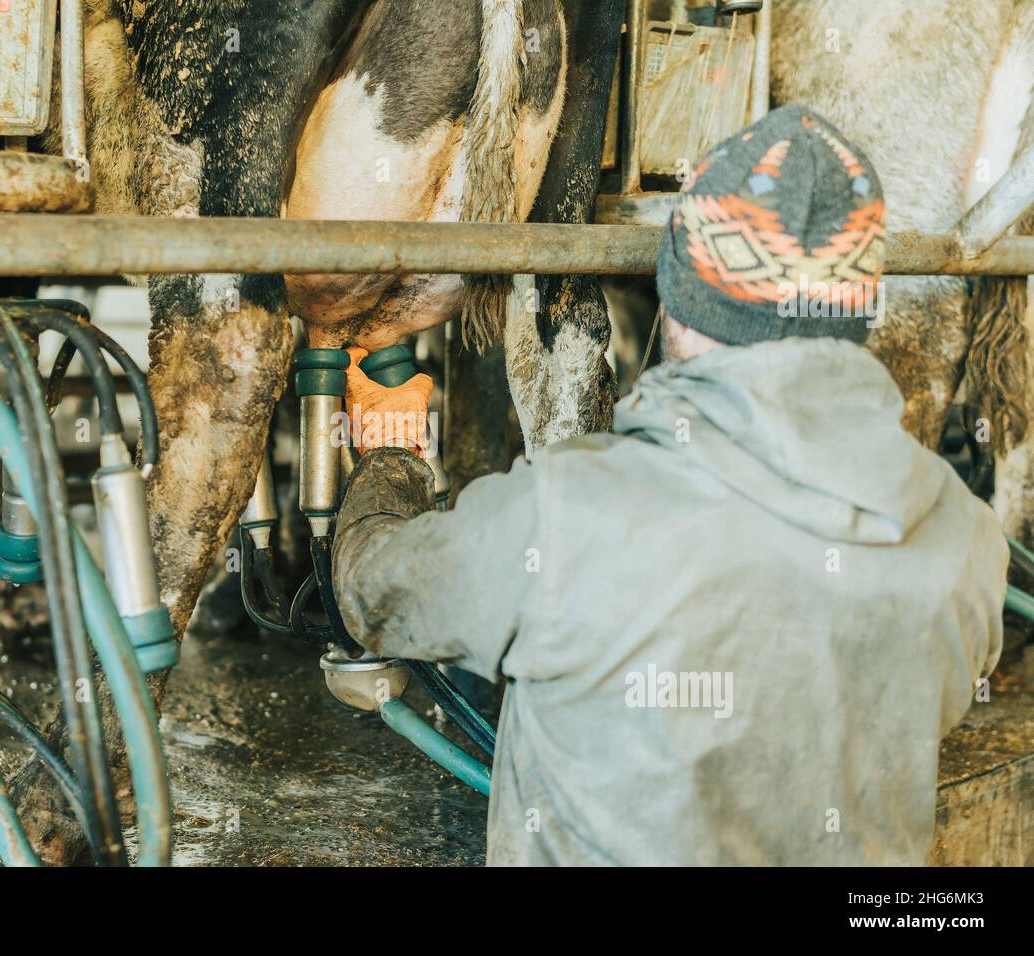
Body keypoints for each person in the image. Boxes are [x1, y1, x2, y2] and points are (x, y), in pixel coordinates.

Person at [331, 104, 1007, 865]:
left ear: (681, 302)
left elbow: (373, 591)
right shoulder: (967, 537)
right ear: (856, 311)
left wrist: (389, 461)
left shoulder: (575, 516)